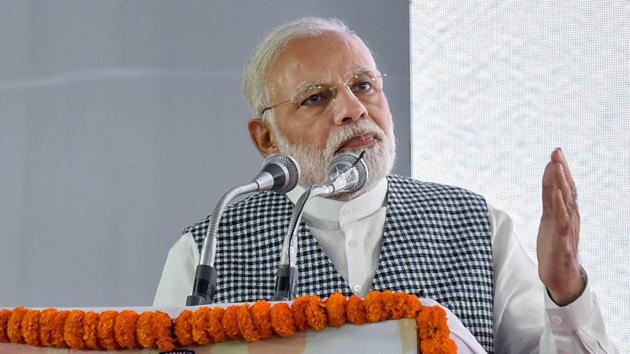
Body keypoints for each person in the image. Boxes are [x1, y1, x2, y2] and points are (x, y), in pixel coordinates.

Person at [154, 17, 617, 353]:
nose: (353, 109)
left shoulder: (478, 227)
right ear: (267, 138)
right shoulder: (206, 250)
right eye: (316, 97)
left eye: (364, 85)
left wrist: (565, 290)